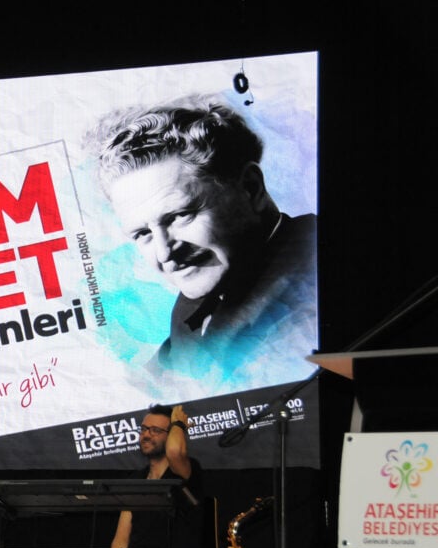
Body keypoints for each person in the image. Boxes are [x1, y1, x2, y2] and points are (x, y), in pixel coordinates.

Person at [91, 95, 317, 386]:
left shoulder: (310, 288)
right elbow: (154, 383)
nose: (164, 253)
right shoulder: (199, 298)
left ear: (251, 189)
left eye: (180, 216)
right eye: (143, 234)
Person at [39, 404, 208, 548]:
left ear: (171, 434)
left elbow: (174, 452)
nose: (147, 435)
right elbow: (121, 536)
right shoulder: (136, 479)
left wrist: (178, 423)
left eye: (156, 430)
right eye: (144, 429)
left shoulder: (185, 472)